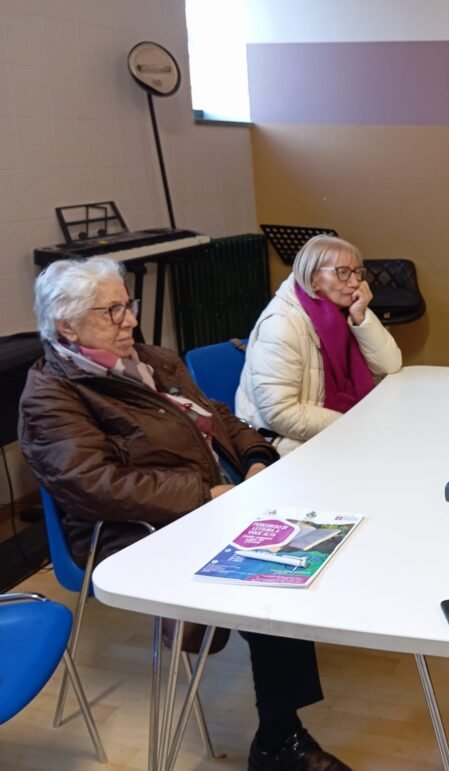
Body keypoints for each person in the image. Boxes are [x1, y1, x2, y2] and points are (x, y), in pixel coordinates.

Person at [19, 257, 351, 771]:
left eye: (127, 304)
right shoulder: (52, 394)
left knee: (323, 529)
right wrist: (205, 495)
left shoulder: (150, 358)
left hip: (217, 499)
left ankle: (291, 700)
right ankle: (280, 740)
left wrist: (257, 457)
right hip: (138, 529)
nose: (130, 319)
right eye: (112, 311)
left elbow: (216, 415)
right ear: (67, 325)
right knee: (273, 581)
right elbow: (95, 486)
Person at [237, 234, 401, 456]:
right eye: (343, 272)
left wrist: (361, 317)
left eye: (357, 272)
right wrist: (353, 424)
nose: (355, 283)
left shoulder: (345, 309)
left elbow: (390, 365)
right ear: (313, 278)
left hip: (336, 423)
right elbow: (280, 412)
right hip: (283, 439)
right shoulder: (281, 324)